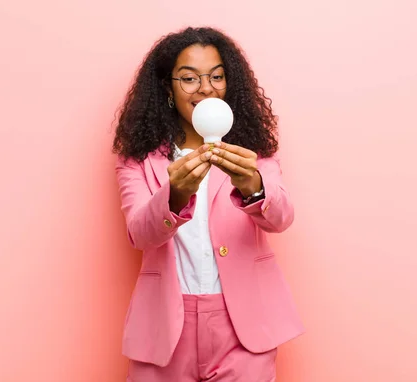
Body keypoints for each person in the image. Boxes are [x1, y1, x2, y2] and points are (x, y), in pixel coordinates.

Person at [112, 26, 304, 382]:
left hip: (244, 326)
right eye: (189, 78)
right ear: (167, 88)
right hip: (165, 327)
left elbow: (281, 218)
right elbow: (140, 233)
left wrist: (253, 185)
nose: (205, 87)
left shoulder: (253, 152)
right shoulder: (139, 159)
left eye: (217, 76)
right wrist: (174, 195)